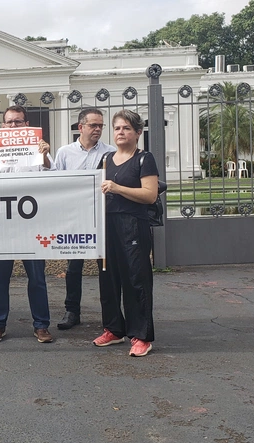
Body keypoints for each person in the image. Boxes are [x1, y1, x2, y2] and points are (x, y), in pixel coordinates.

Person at [0, 106, 53, 343]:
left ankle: (41, 325)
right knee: (0, 277)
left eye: (18, 122)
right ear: (2, 126)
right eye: (8, 122)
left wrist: (46, 155)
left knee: (37, 277)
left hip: (32, 223)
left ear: (26, 124)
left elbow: (55, 175)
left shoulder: (39, 149)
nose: (13, 127)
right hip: (3, 224)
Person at [95, 109, 159, 357]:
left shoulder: (144, 159)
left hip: (132, 224)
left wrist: (118, 188)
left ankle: (141, 335)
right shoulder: (106, 159)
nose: (121, 133)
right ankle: (113, 329)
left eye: (127, 128)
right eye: (118, 128)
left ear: (138, 133)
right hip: (106, 225)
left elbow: (149, 194)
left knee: (136, 280)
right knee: (108, 278)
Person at [50, 107, 117, 330]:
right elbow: (56, 184)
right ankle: (72, 311)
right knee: (73, 268)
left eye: (101, 125)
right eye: (93, 125)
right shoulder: (65, 153)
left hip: (103, 218)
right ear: (81, 127)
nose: (98, 129)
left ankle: (110, 314)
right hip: (75, 218)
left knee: (105, 268)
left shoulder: (111, 152)